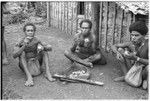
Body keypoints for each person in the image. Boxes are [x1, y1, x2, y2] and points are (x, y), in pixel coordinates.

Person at [111, 21, 148, 89]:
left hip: (143, 71)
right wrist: (117, 53)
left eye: (136, 35)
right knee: (120, 50)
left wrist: (136, 58)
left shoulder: (148, 44)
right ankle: (126, 76)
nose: (133, 37)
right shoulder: (131, 44)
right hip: (133, 68)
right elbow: (114, 46)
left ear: (144, 35)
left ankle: (143, 81)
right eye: (132, 35)